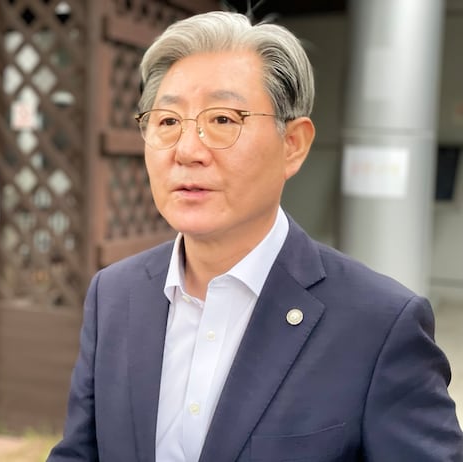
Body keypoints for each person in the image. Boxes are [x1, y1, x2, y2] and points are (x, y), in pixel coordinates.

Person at [47, 10, 463, 462]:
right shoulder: (114, 294)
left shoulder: (379, 325)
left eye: (223, 119)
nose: (187, 150)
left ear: (293, 144)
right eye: (167, 121)